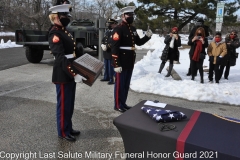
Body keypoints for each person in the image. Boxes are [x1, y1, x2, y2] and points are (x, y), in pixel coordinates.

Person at [48, 4, 86, 142]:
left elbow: (73, 52)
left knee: (69, 103)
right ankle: (63, 132)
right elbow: (60, 57)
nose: (67, 18)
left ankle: (68, 127)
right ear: (56, 17)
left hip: (70, 70)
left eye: (67, 16)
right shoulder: (55, 33)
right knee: (63, 105)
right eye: (64, 16)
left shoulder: (65, 31)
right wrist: (73, 73)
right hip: (63, 73)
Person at [111, 6, 152, 113]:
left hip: (129, 60)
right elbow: (114, 48)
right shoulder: (118, 29)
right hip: (121, 61)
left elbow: (138, 42)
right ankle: (118, 105)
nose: (131, 16)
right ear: (123, 16)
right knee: (119, 85)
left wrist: (147, 36)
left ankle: (123, 103)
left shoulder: (133, 29)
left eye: (132, 15)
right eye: (128, 15)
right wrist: (116, 64)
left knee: (126, 84)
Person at [100, 18, 118, 85]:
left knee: (111, 67)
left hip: (111, 51)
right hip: (106, 52)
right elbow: (104, 39)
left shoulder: (115, 32)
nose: (109, 25)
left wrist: (107, 46)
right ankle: (106, 77)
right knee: (106, 66)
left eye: (110, 23)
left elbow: (114, 42)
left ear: (114, 24)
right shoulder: (107, 31)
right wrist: (102, 44)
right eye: (108, 23)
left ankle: (111, 79)